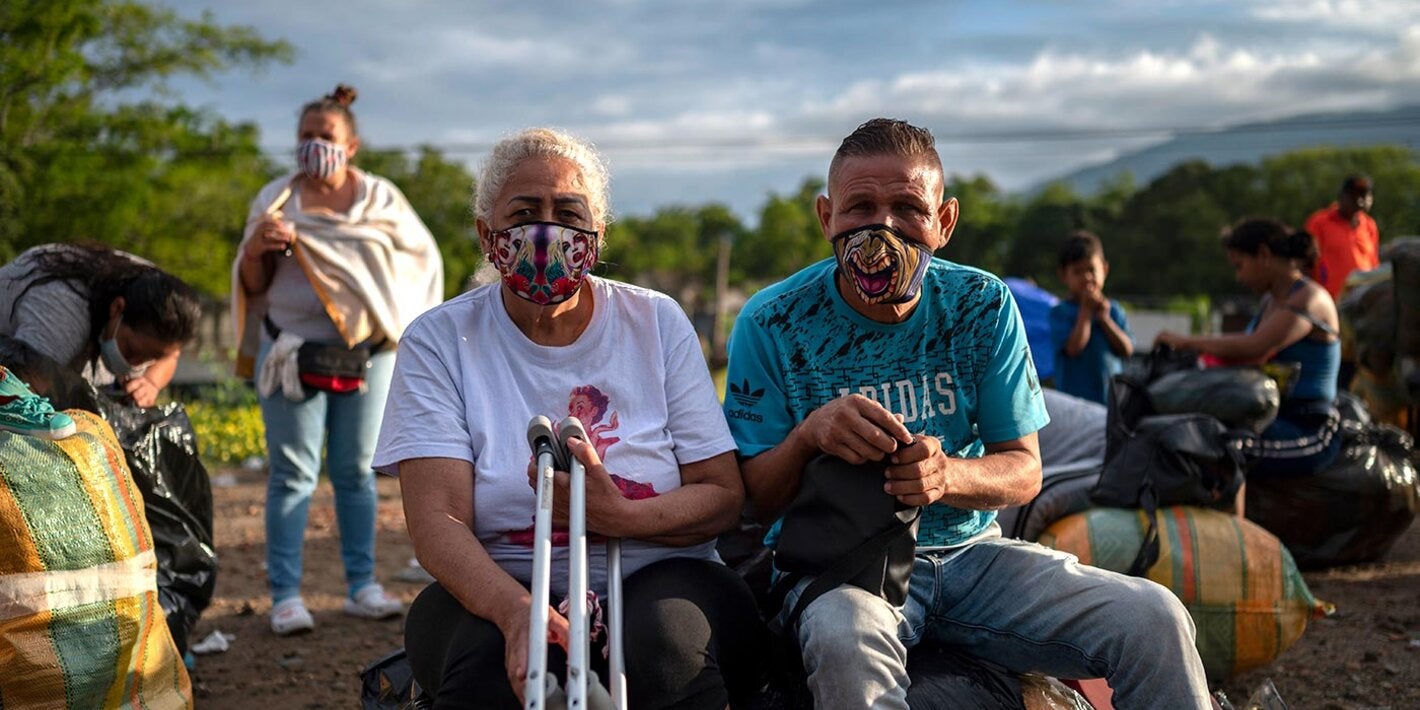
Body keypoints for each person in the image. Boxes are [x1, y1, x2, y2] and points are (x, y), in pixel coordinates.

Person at [725, 118, 1210, 709]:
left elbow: (1025, 470)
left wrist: (947, 476)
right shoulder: (772, 320)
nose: (882, 226)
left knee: (1153, 617)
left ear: (944, 222)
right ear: (826, 217)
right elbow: (753, 502)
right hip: (842, 567)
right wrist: (809, 436)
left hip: (971, 556)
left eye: (908, 207)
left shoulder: (980, 304)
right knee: (845, 639)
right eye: (860, 207)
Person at [373, 128, 764, 709]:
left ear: (598, 234)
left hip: (664, 571)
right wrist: (517, 615)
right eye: (524, 212)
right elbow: (438, 525)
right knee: (486, 673)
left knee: (662, 655)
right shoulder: (439, 340)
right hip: (500, 581)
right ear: (487, 235)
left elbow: (721, 495)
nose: (546, 230)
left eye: (569, 212)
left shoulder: (655, 322)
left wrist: (619, 515)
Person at [231, 84, 444, 636]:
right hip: (290, 353)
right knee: (293, 475)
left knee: (355, 473)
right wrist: (258, 248)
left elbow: (419, 267)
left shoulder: (382, 201)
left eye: (325, 137)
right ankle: (285, 595)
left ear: (352, 145)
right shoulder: (275, 200)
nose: (313, 146)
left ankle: (361, 586)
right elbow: (251, 284)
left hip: (368, 358)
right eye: (305, 137)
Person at [1157, 218, 1342, 479]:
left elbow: (1255, 348)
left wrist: (1188, 341)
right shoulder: (1270, 300)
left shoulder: (1310, 298)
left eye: (1240, 266)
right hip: (1268, 416)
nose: (1239, 277)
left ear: (1264, 255)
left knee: (1225, 451)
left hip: (1307, 426)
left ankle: (1233, 521)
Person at [0, 243, 201, 408]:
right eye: (131, 351)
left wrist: (150, 382)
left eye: (152, 357)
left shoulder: (158, 294)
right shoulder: (62, 314)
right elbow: (22, 397)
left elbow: (170, 354)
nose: (134, 365)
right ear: (116, 308)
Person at [1049, 230, 1133, 404]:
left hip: (1110, 402)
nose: (1087, 277)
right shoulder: (1060, 313)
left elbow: (1127, 349)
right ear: (1064, 275)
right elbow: (1074, 349)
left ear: (1104, 269)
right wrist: (1085, 312)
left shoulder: (1113, 310)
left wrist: (1105, 320)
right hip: (1073, 404)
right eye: (1078, 272)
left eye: (1091, 270)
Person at [1306, 175, 1379, 300]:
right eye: (1354, 196)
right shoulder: (1320, 222)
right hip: (1330, 300)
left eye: (1364, 196)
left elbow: (1373, 262)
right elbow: (1307, 262)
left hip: (1364, 300)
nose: (1360, 201)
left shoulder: (1369, 225)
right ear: (1341, 196)